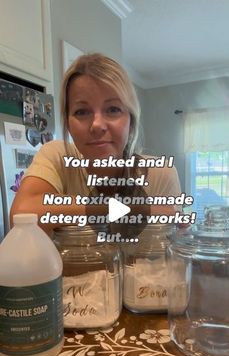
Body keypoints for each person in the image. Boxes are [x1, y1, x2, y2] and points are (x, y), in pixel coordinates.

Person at [10, 53, 181, 232]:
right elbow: (20, 216)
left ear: (131, 122)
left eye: (113, 109)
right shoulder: (57, 157)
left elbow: (170, 251)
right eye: (82, 112)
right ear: (68, 124)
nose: (97, 125)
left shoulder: (161, 175)